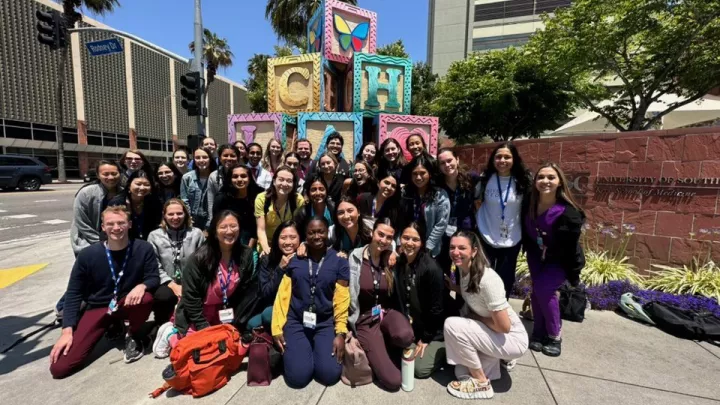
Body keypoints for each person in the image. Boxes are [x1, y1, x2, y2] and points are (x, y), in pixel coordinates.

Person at [49, 205, 159, 379]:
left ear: (129, 224)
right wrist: (67, 331)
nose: (116, 228)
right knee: (60, 368)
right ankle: (112, 325)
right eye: (111, 224)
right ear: (103, 227)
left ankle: (133, 335)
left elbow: (153, 277)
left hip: (126, 302)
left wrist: (142, 285)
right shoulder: (88, 255)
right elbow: (74, 293)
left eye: (121, 223)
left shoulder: (143, 248)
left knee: (144, 299)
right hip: (99, 307)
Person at [443, 231, 528, 400]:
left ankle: (482, 383)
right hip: (494, 334)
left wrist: (476, 318)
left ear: (474, 251)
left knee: (452, 324)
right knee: (460, 371)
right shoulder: (463, 270)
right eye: (452, 247)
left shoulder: (488, 279)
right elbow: (472, 294)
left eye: (462, 248)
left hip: (511, 338)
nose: (455, 252)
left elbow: (504, 326)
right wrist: (454, 287)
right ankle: (499, 359)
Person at [271, 216, 350, 388]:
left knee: (329, 375)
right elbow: (282, 296)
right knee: (297, 379)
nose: (316, 236)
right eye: (311, 232)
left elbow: (342, 300)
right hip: (296, 321)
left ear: (326, 233)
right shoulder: (295, 260)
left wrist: (340, 333)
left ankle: (314, 350)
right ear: (305, 235)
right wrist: (277, 327)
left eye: (321, 231)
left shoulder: (339, 261)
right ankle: (301, 353)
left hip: (324, 322)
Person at [523, 163, 585, 357]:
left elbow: (569, 248)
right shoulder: (529, 204)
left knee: (545, 290)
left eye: (551, 177)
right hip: (536, 256)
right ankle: (539, 333)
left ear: (560, 182)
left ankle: (554, 335)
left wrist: (574, 274)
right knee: (536, 292)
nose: (545, 181)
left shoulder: (568, 213)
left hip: (559, 260)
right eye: (541, 177)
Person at [347, 218, 414, 391]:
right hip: (365, 320)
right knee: (394, 381)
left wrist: (392, 252)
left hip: (386, 313)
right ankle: (378, 349)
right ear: (372, 233)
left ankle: (385, 345)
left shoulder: (390, 260)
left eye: (389, 238)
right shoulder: (354, 258)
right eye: (380, 234)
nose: (383, 240)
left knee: (406, 335)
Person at [172, 210, 258, 340]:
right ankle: (168, 333)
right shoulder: (199, 258)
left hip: (225, 312)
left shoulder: (245, 254)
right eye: (223, 227)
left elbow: (242, 291)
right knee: (198, 348)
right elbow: (190, 297)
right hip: (198, 313)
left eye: (233, 226)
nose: (229, 231)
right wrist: (203, 326)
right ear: (214, 231)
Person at [475, 143, 531, 299]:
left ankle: (501, 312)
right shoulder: (485, 179)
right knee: (483, 277)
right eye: (498, 156)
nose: (502, 160)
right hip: (486, 233)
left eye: (507, 157)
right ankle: (481, 312)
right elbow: (475, 201)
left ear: (514, 159)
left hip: (512, 237)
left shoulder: (523, 181)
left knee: (505, 279)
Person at [395, 221, 447, 379]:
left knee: (419, 369)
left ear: (422, 242)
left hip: (436, 331)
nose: (409, 243)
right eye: (406, 238)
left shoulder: (431, 269)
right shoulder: (400, 262)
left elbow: (437, 309)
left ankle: (448, 350)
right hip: (415, 327)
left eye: (415, 240)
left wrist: (426, 338)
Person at [247, 221, 300, 330]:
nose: (288, 242)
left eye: (293, 237)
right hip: (273, 304)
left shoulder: (304, 257)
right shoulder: (267, 259)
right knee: (252, 323)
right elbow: (265, 293)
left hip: (295, 308)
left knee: (267, 315)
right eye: (283, 238)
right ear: (277, 239)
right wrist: (280, 268)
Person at [436, 148, 478, 271]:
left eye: (449, 160)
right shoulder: (437, 184)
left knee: (466, 271)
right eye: (442, 163)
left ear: (457, 160)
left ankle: (462, 291)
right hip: (444, 235)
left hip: (466, 233)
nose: (447, 165)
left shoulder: (471, 179)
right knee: (443, 271)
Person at [70, 160, 123, 256]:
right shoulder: (86, 192)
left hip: (116, 243)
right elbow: (81, 221)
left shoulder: (123, 193)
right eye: (105, 174)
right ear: (98, 175)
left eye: (114, 173)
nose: (110, 177)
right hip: (88, 244)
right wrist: (99, 242)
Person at [402, 155, 450, 258]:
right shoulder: (405, 193)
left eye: (422, 173)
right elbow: (400, 220)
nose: (418, 177)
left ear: (430, 174)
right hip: (407, 246)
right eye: (414, 174)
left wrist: (428, 247)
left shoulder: (439, 195)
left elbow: (441, 224)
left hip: (429, 250)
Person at [255, 166, 305, 254]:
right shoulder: (262, 199)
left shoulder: (298, 200)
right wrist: (266, 250)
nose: (285, 184)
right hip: (267, 244)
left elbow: (299, 227)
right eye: (281, 179)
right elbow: (261, 229)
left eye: (289, 181)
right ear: (274, 181)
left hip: (289, 245)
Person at [213, 164, 263, 248]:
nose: (239, 179)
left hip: (254, 239)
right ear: (230, 179)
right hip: (228, 238)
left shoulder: (259, 196)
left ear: (249, 178)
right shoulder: (222, 198)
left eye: (243, 176)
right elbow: (217, 223)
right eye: (235, 176)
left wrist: (250, 246)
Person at [108, 170, 162, 241]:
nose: (142, 188)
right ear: (129, 185)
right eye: (138, 184)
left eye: (146, 184)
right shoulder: (117, 203)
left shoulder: (155, 203)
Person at [180, 147, 217, 231]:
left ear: (210, 159)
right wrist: (189, 218)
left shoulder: (216, 177)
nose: (201, 160)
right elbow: (184, 200)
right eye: (197, 157)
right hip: (192, 220)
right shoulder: (187, 177)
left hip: (212, 220)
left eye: (205, 157)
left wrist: (210, 224)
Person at [207, 144, 240, 219]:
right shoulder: (213, 176)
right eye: (225, 155)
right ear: (219, 157)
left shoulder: (243, 174)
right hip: (220, 216)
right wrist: (212, 221)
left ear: (237, 158)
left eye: (232, 156)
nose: (229, 158)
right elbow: (211, 201)